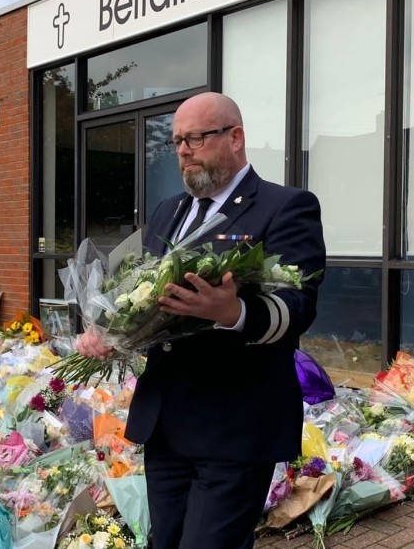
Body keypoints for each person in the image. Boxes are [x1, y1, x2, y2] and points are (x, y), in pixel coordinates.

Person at [76, 92, 326, 549]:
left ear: (236, 137)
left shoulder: (285, 206)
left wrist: (233, 312)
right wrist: (112, 332)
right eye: (176, 142)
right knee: (164, 542)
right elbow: (142, 300)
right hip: (167, 420)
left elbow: (299, 305)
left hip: (235, 422)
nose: (184, 151)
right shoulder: (166, 212)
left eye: (195, 138)